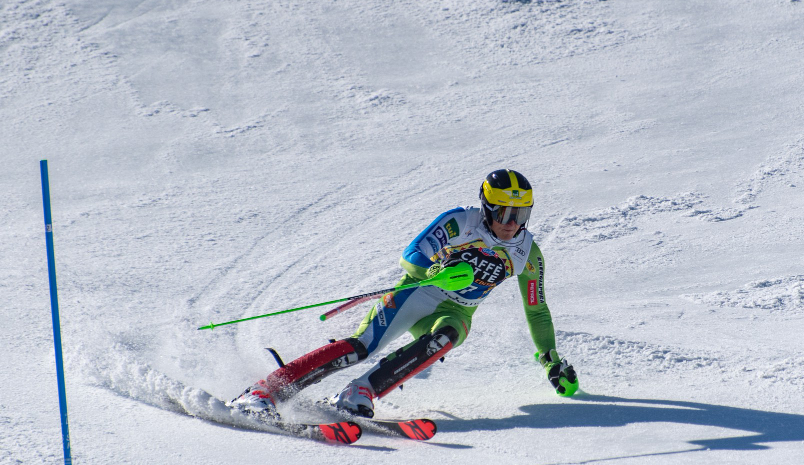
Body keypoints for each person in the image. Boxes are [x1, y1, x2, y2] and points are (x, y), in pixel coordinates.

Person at [228, 169, 580, 421]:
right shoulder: (460, 222)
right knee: (362, 346)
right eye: (503, 212)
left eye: (521, 214)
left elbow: (537, 309)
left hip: (457, 311)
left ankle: (359, 392)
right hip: (418, 294)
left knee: (447, 336)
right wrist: (436, 272)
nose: (512, 222)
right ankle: (264, 391)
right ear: (487, 208)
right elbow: (411, 255)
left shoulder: (527, 254)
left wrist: (549, 358)